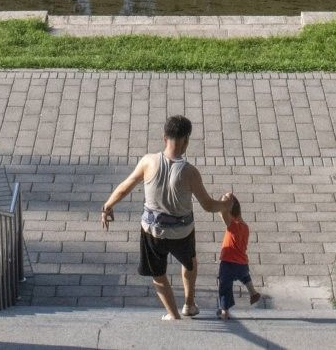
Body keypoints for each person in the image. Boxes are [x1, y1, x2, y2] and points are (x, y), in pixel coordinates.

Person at [100, 114, 233, 320]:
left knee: (158, 275)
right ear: (186, 140)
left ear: (164, 138)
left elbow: (126, 186)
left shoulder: (148, 162)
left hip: (151, 232)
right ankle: (189, 304)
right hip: (182, 232)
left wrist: (108, 206)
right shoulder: (190, 172)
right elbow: (208, 206)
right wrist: (226, 204)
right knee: (190, 262)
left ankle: (173, 315)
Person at [215, 194, 261, 319]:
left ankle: (224, 311)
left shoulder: (232, 225)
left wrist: (222, 204)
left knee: (224, 285)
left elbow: (223, 214)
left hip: (228, 262)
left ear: (228, 211)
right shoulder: (245, 226)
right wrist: (229, 201)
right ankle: (253, 292)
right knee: (244, 276)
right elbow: (227, 214)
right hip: (242, 263)